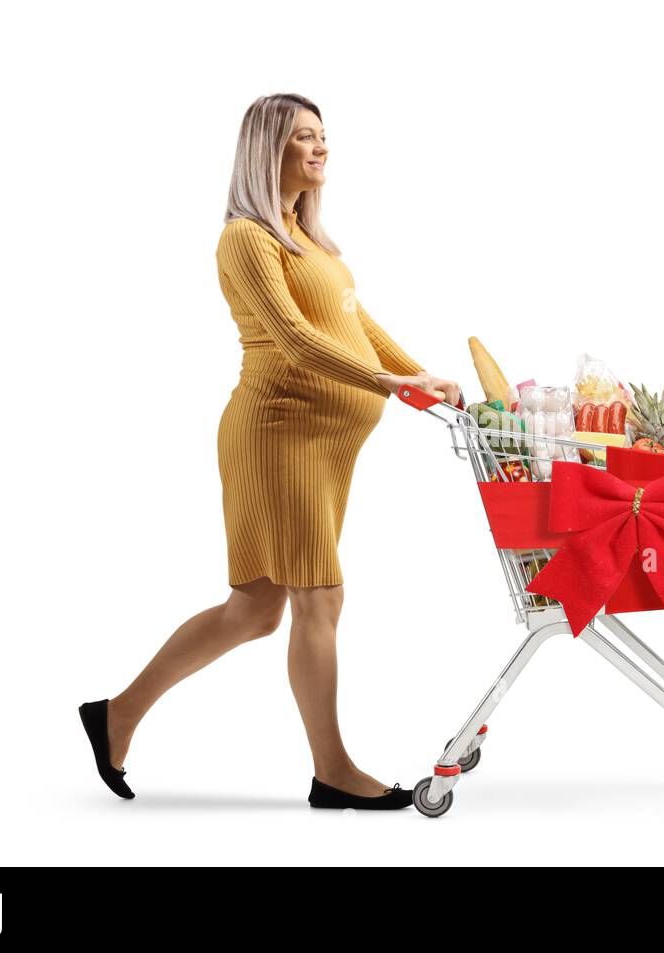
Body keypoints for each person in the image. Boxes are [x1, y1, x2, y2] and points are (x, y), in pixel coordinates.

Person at [79, 92, 461, 811]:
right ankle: (334, 772)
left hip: (321, 441)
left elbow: (352, 321)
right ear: (267, 150)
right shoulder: (246, 239)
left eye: (324, 137)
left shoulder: (305, 238)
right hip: (278, 433)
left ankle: (116, 715)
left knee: (254, 610)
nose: (321, 149)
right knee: (321, 596)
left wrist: (422, 376)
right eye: (303, 138)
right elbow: (291, 338)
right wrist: (388, 382)